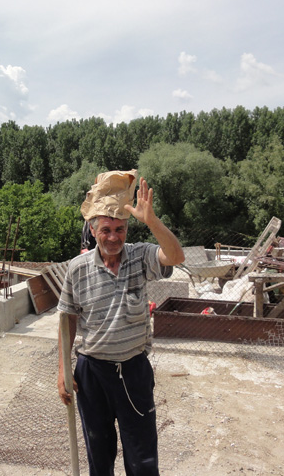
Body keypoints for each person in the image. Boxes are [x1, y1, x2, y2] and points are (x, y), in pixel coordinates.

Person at [57, 172, 185, 476]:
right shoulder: (77, 269)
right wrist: (63, 368)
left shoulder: (140, 256)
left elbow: (176, 256)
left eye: (120, 229)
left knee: (142, 459)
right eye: (106, 229)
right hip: (91, 374)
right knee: (99, 455)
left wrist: (152, 221)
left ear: (127, 229)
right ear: (93, 230)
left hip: (133, 372)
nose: (113, 237)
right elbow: (67, 319)